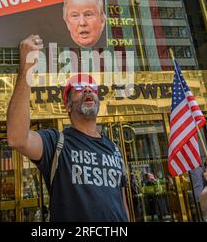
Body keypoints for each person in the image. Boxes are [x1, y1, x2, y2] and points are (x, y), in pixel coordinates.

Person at [7, 35, 129, 221]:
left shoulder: (113, 148)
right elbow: (17, 138)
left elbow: (121, 203)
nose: (88, 90)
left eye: (92, 88)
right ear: (68, 106)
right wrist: (26, 69)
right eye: (79, 87)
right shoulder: (56, 142)